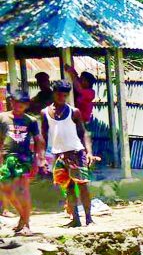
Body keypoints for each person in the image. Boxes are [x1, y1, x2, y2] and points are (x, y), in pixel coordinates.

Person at [42, 81, 93, 228]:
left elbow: (84, 134)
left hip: (76, 153)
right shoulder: (45, 113)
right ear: (54, 93)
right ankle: (75, 219)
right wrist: (43, 158)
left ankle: (89, 218)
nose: (62, 98)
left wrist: (88, 152)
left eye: (65, 95)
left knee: (82, 186)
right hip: (59, 155)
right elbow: (44, 136)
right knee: (68, 188)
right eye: (59, 94)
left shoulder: (74, 112)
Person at [0, 90, 45, 236]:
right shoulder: (2, 118)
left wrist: (38, 160)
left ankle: (26, 224)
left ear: (26, 105)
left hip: (24, 158)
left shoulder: (30, 121)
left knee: (23, 190)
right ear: (11, 102)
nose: (19, 105)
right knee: (5, 189)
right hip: (7, 158)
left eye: (23, 103)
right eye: (16, 102)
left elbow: (38, 140)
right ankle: (22, 216)